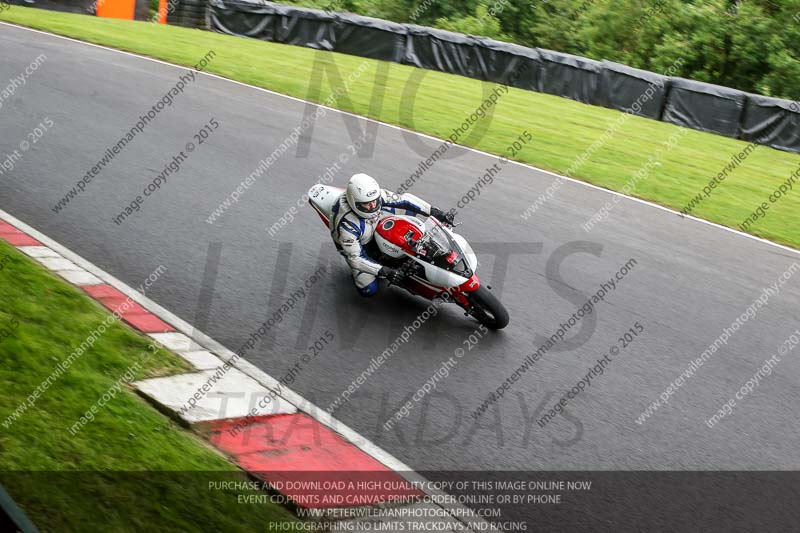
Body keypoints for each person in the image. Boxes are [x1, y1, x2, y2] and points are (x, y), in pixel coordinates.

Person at [330, 173, 454, 297]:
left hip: (376, 221)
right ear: (354, 203)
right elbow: (355, 259)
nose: (373, 206)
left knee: (409, 209)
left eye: (374, 201)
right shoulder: (347, 225)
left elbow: (405, 200)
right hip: (361, 244)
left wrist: (434, 211)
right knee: (368, 289)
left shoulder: (376, 197)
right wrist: (385, 271)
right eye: (367, 204)